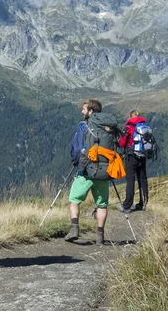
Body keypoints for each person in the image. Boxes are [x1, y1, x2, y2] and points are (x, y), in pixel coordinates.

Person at [64, 99, 110, 246]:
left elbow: (77, 149)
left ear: (90, 111)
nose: (82, 112)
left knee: (74, 200)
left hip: (85, 170)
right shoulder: (108, 127)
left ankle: (74, 229)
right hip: (104, 170)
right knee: (102, 205)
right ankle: (100, 237)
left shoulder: (83, 126)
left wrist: (76, 162)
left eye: (84, 109)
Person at [119, 110, 148, 212]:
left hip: (131, 155)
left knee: (130, 179)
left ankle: (127, 205)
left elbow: (122, 143)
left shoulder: (129, 127)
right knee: (142, 179)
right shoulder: (144, 125)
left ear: (130, 116)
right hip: (143, 155)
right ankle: (143, 203)